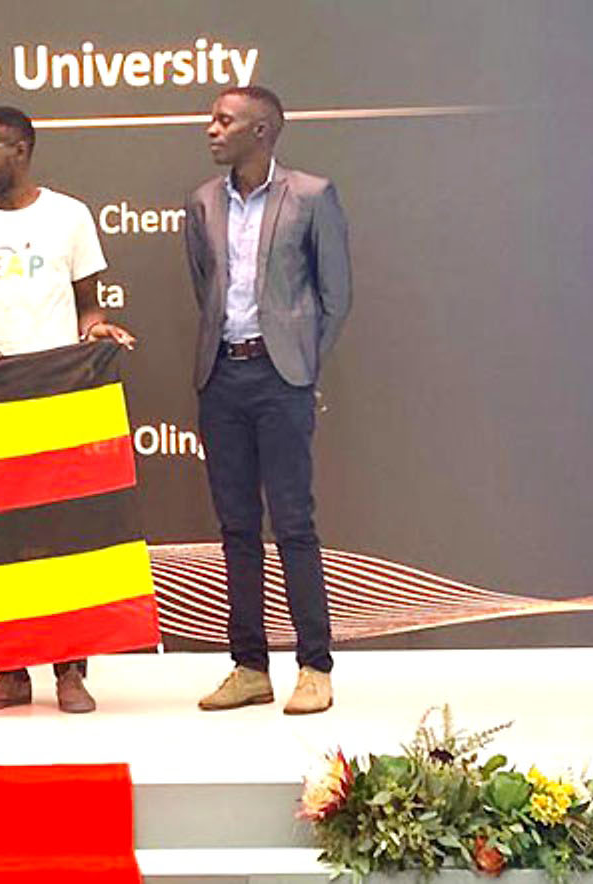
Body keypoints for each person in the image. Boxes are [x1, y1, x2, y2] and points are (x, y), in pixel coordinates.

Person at [0, 106, 136, 715]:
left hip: (59, 398)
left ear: (20, 151)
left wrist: (95, 332)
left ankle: (69, 671)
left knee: (63, 535)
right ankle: (10, 670)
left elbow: (89, 307)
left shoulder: (69, 216)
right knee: (0, 535)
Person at [183, 86, 351, 716]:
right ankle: (249, 666)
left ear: (262, 131)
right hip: (222, 376)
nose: (211, 130)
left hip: (283, 380)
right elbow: (206, 287)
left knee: (295, 523)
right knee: (235, 528)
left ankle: (315, 665)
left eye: (224, 121)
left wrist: (301, 366)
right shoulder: (201, 202)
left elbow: (336, 295)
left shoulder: (311, 195)